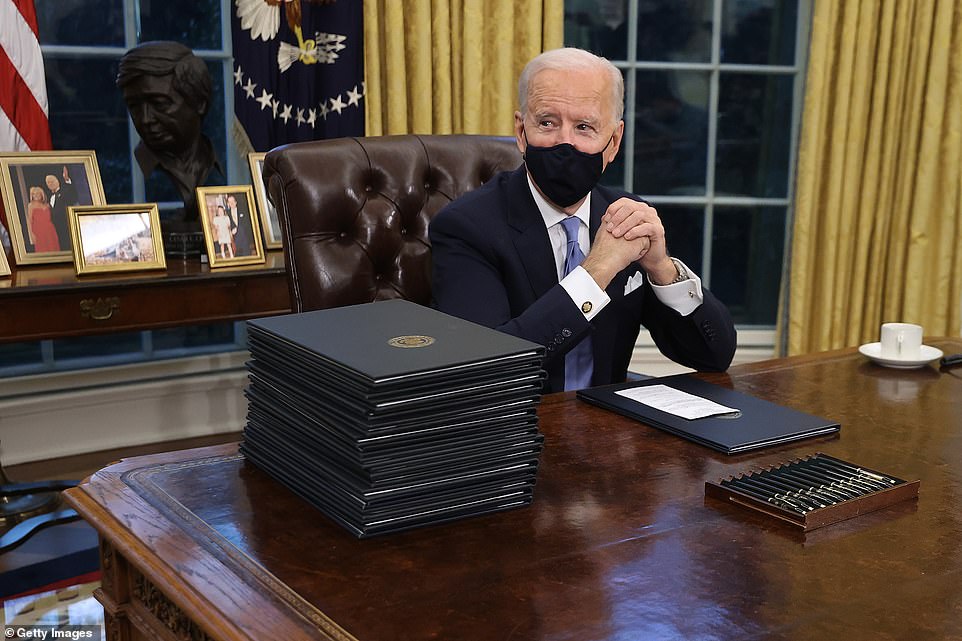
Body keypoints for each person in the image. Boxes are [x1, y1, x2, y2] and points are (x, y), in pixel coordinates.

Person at [429, 47, 736, 393]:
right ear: (521, 130)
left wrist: (663, 270)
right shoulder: (465, 228)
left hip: (607, 427)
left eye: (584, 127)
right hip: (513, 432)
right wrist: (597, 272)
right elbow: (488, 371)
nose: (565, 142)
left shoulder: (626, 217)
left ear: (614, 141)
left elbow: (715, 356)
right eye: (547, 122)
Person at [116, 41, 222, 222]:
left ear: (199, 103)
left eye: (160, 104)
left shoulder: (223, 168)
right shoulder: (126, 179)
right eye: (134, 107)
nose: (145, 119)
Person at [44, 167, 78, 246]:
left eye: (52, 181)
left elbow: (72, 193)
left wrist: (67, 180)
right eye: (48, 182)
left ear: (57, 181)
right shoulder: (50, 198)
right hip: (56, 231)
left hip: (67, 228)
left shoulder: (65, 192)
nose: (50, 184)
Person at [25, 186, 61, 252]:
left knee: (54, 249)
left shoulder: (47, 205)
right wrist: (32, 235)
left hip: (50, 230)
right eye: (34, 194)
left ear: (42, 195)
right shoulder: (31, 205)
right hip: (39, 232)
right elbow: (30, 221)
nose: (36, 195)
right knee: (43, 250)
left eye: (38, 193)